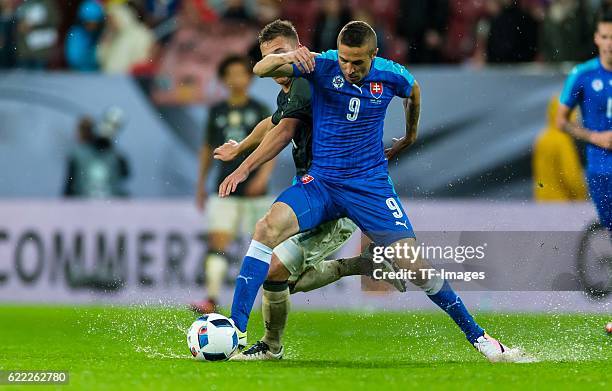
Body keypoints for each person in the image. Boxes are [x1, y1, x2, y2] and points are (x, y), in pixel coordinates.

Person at [221, 20, 528, 362]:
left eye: (358, 63)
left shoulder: (389, 73)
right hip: (321, 182)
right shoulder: (320, 65)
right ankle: (236, 328)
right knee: (266, 230)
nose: (349, 69)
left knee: (415, 266)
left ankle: (481, 338)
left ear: (374, 56)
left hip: (368, 186)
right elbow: (262, 70)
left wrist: (410, 135)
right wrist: (290, 57)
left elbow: (413, 91)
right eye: (345, 61)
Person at [213, 20, 405, 360]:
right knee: (279, 278)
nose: (273, 63)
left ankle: (267, 344)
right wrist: (240, 146)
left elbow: (285, 131)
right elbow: (273, 122)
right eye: (265, 56)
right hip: (312, 190)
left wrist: (243, 168)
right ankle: (362, 265)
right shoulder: (291, 88)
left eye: (278, 54)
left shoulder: (306, 79)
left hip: (336, 196)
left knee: (276, 275)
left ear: (296, 49)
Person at [191, 55, 273, 314]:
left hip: (254, 191)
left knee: (262, 246)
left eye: (241, 74)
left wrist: (262, 178)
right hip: (224, 187)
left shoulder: (260, 110)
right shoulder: (217, 112)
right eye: (231, 74)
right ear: (224, 79)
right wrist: (201, 184)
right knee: (218, 242)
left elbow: (273, 144)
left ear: (249, 78)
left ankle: (268, 297)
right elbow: (207, 149)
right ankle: (212, 298)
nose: (236, 79)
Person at [557, 8, 612, 232]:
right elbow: (560, 121)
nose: (610, 43)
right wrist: (594, 136)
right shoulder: (583, 74)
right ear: (596, 38)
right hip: (601, 167)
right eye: (606, 37)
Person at [533, 95, 588, 202]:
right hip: (561, 202)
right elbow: (571, 177)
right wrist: (582, 199)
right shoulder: (562, 141)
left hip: (542, 199)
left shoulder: (543, 137)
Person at [64, 111, 130, 198]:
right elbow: (69, 186)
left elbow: (125, 173)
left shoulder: (117, 158)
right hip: (82, 207)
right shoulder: (77, 155)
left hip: (110, 206)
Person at [65, 0, 105, 71]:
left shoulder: (101, 33)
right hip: (79, 74)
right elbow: (74, 59)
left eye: (95, 23)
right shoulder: (76, 34)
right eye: (88, 23)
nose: (91, 26)